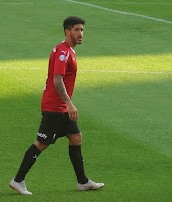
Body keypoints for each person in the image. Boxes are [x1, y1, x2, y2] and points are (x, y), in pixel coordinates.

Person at [9, 16, 104, 195]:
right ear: (67, 31)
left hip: (61, 107)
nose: (80, 33)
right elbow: (57, 79)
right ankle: (18, 180)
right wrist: (69, 103)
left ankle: (82, 182)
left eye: (82, 30)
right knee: (41, 143)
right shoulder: (63, 52)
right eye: (76, 30)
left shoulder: (68, 50)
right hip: (55, 107)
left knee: (76, 137)